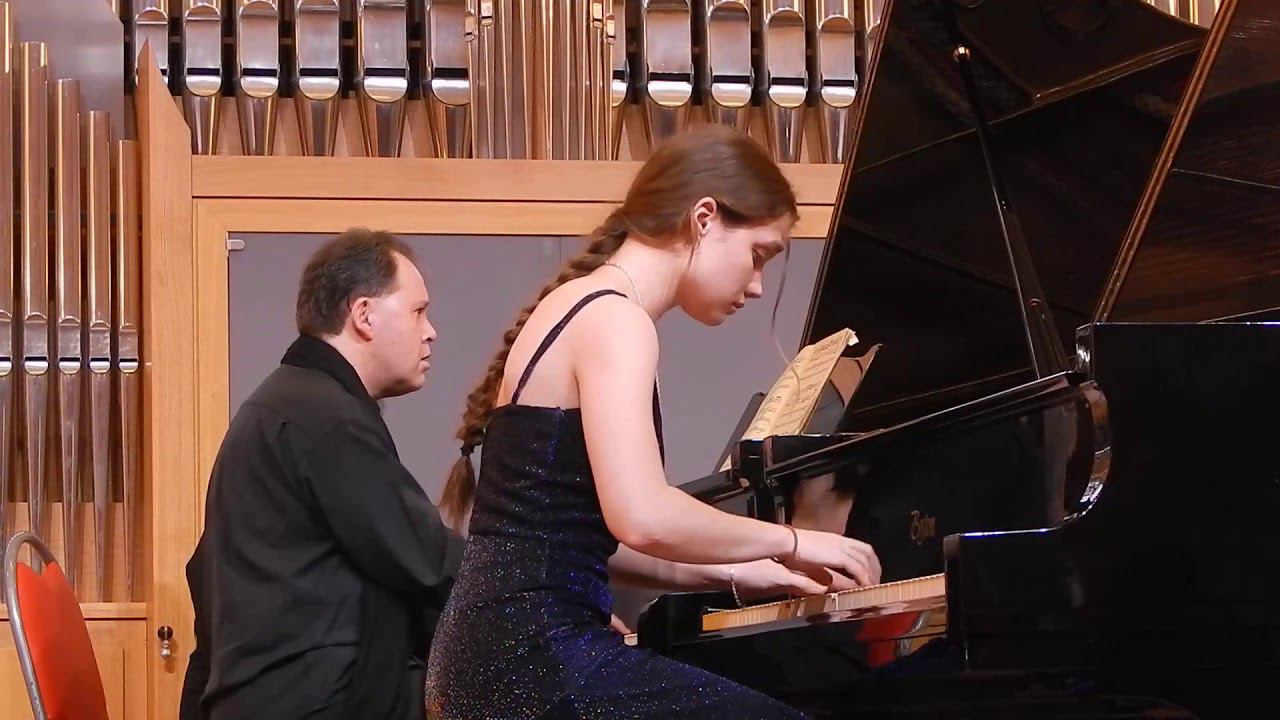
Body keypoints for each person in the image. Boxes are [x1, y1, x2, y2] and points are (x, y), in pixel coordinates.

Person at [425, 126, 882, 720]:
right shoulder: (616, 320)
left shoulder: (588, 305)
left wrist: (739, 572)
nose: (756, 286)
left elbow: (590, 540)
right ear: (704, 218)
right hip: (531, 656)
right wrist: (794, 541)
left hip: (495, 650)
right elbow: (642, 517)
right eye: (758, 255)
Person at [180, 229, 464, 720]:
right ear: (364, 315)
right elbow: (428, 559)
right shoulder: (323, 417)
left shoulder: (291, 401)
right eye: (418, 311)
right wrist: (537, 595)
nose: (431, 331)